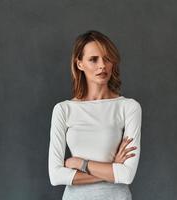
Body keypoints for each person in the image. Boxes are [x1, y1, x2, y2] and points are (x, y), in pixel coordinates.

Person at [48, 30, 142, 200]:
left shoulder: (128, 107)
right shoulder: (63, 110)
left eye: (107, 59)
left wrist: (80, 164)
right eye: (93, 59)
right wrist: (113, 169)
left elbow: (127, 175)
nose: (102, 66)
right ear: (79, 64)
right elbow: (56, 176)